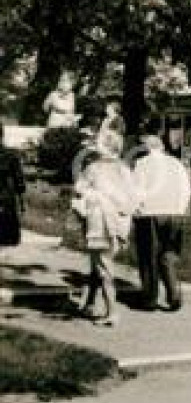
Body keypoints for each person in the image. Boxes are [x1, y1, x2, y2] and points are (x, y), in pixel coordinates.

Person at [72, 140, 136, 326]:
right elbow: (133, 198)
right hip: (118, 222)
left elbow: (79, 189)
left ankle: (112, 312)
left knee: (103, 267)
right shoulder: (125, 170)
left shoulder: (94, 168)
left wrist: (88, 198)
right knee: (97, 265)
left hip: (99, 222)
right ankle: (90, 303)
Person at [132, 120, 191, 312]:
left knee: (148, 254)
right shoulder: (176, 164)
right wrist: (180, 208)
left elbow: (138, 190)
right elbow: (185, 189)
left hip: (150, 212)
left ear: (147, 149)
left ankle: (150, 297)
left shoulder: (142, 164)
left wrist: (137, 209)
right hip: (175, 213)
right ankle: (174, 293)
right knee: (169, 254)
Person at [0, 117, 26, 250]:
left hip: (6, 188)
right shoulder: (11, 154)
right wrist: (22, 199)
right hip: (6, 189)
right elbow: (19, 178)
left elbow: (18, 178)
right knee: (7, 212)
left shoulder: (12, 154)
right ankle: (7, 237)